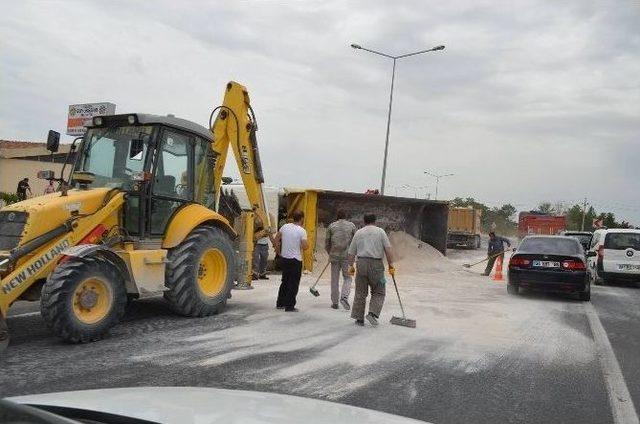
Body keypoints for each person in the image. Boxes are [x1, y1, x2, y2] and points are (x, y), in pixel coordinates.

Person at [347, 213, 395, 327]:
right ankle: (372, 313)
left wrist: (350, 266)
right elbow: (388, 250)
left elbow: (351, 252)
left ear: (364, 221)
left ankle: (359, 318)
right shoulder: (380, 232)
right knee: (379, 290)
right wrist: (391, 265)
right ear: (375, 221)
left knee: (360, 292)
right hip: (376, 264)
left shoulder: (359, 233)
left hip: (361, 263)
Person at [274, 210, 308, 312]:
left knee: (284, 281)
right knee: (293, 283)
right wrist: (304, 244)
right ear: (302, 218)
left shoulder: (285, 227)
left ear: (293, 217)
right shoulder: (302, 231)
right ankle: (290, 306)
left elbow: (276, 239)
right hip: (295, 260)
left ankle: (280, 303)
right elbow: (305, 246)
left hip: (285, 258)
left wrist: (278, 251)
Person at [325, 210, 356, 310]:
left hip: (334, 257)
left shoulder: (331, 226)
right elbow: (356, 241)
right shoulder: (352, 226)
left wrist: (330, 253)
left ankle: (335, 303)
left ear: (337, 217)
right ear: (345, 217)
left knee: (334, 279)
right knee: (348, 278)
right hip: (348, 257)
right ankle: (344, 297)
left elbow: (327, 243)